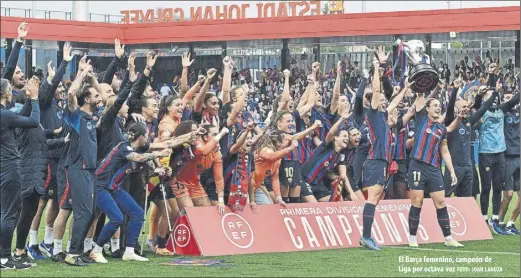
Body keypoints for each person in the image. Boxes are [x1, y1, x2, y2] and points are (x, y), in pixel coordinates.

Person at [89, 122, 171, 263]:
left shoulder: (135, 147)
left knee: (138, 214)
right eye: (147, 135)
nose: (149, 137)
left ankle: (129, 251)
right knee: (117, 218)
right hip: (101, 186)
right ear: (140, 137)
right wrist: (159, 154)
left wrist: (189, 136)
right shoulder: (124, 148)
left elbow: (169, 143)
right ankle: (96, 251)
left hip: (112, 187)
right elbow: (139, 158)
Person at [406, 90, 463, 248]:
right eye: (435, 106)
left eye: (439, 106)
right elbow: (419, 98)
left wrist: (451, 170)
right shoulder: (421, 119)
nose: (438, 108)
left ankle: (448, 238)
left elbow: (444, 151)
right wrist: (422, 86)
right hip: (417, 165)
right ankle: (412, 238)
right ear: (427, 109)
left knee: (441, 202)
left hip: (434, 168)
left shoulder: (442, 129)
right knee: (417, 202)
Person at [0, 76, 40, 270]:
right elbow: (33, 121)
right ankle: (5, 258)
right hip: (9, 168)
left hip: (3, 168)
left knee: (5, 212)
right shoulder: (5, 115)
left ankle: (4, 256)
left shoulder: (5, 115)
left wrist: (29, 99)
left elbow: (19, 118)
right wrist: (35, 98)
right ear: (7, 93)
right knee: (9, 213)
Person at [359, 49, 394, 251]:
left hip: (381, 162)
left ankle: (367, 235)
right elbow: (378, 93)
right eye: (380, 99)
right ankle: (366, 236)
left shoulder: (382, 116)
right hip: (374, 161)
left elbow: (394, 101)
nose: (383, 101)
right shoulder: (372, 113)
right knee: (373, 198)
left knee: (377, 199)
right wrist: (377, 70)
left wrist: (407, 88)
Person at [497, 89, 520, 234]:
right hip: (507, 158)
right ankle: (499, 222)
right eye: (505, 97)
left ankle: (511, 224)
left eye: (509, 97)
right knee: (508, 195)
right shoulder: (500, 112)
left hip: (519, 157)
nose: (508, 100)